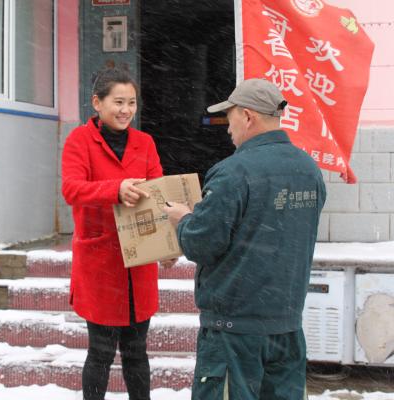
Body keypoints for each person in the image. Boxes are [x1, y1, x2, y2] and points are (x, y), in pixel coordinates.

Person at [163, 78, 326, 400]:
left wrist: (183, 219)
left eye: (230, 117)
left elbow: (201, 243)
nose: (228, 128)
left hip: (234, 331)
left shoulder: (233, 172)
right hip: (287, 325)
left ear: (248, 116)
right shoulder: (309, 169)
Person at [61, 67, 176, 400]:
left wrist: (169, 243)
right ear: (97, 103)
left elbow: (158, 195)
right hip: (100, 261)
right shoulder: (80, 140)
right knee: (100, 351)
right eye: (119, 102)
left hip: (139, 259)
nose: (126, 110)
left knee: (136, 350)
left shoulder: (145, 143)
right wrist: (115, 189)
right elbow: (71, 189)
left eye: (132, 102)